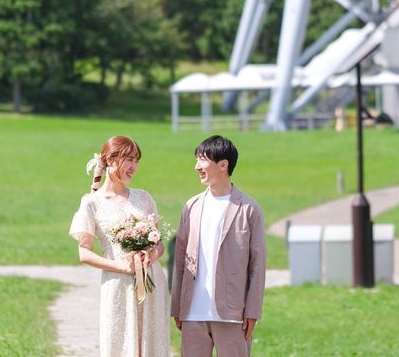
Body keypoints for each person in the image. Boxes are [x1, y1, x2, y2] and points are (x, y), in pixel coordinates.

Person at [69, 136, 170, 357]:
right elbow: (84, 253)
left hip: (152, 282)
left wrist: (152, 254)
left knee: (153, 344)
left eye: (136, 161)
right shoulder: (92, 203)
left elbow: (160, 245)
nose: (134, 167)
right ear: (109, 160)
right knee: (120, 344)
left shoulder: (144, 198)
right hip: (118, 285)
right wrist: (123, 267)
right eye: (129, 160)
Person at [171, 135, 266, 357]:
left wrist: (252, 311)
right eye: (196, 160)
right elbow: (180, 261)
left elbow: (258, 265)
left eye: (202, 160)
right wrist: (177, 307)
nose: (197, 167)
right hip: (193, 313)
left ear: (223, 165)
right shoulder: (191, 207)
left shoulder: (249, 209)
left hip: (233, 315)